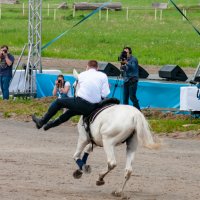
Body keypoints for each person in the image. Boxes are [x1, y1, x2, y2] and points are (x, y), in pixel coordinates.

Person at [32, 60, 110, 130]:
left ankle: (42, 121)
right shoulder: (103, 76)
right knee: (70, 112)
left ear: (87, 66)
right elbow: (105, 94)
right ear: (97, 68)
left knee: (58, 102)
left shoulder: (82, 75)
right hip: (94, 107)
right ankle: (50, 124)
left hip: (82, 103)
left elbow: (78, 90)